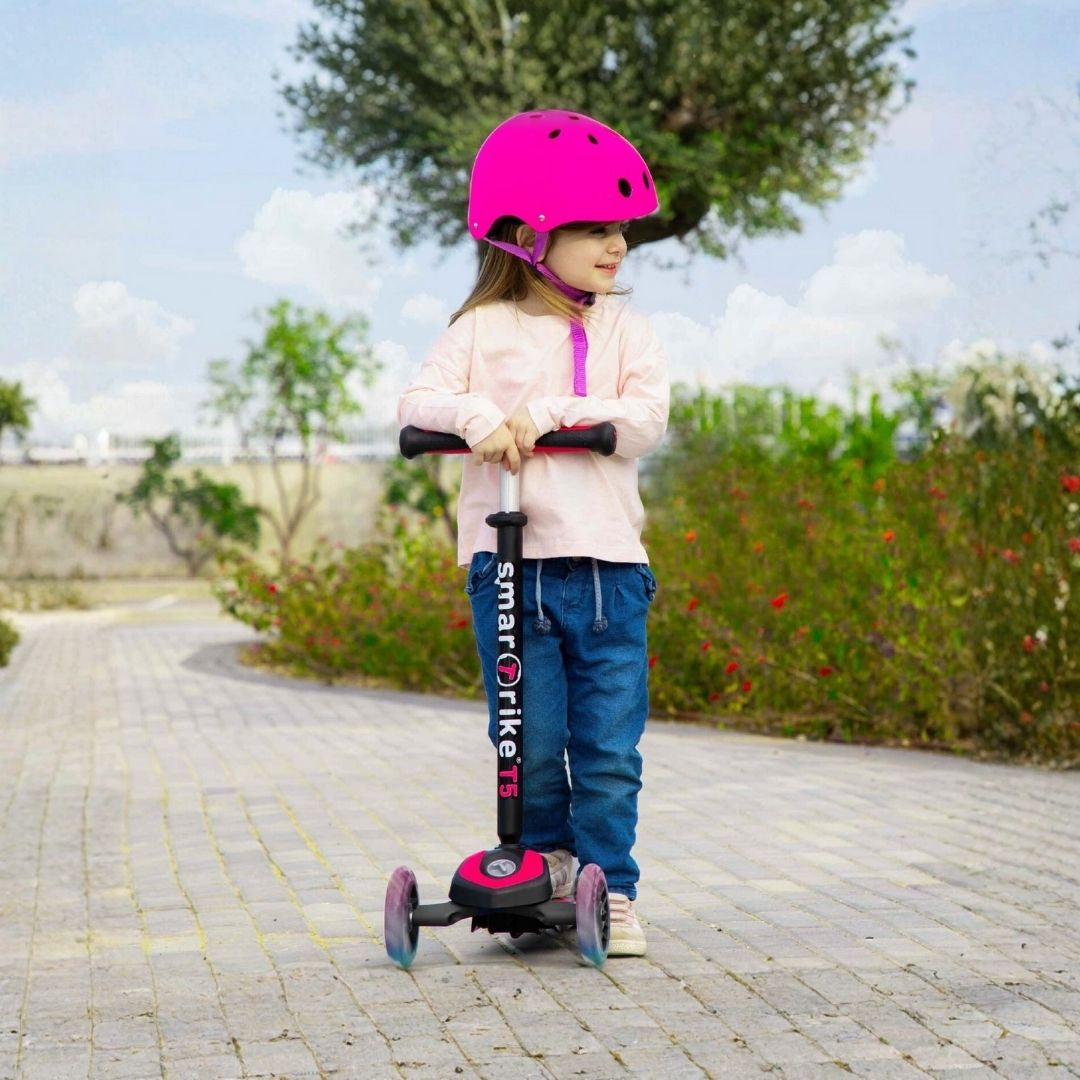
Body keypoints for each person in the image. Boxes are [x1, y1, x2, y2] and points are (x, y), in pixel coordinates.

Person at [398, 109, 668, 956]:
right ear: (526, 234)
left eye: (620, 226)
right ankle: (549, 877)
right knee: (527, 738)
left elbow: (645, 420)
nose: (616, 244)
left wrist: (547, 412)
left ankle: (610, 890)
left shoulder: (626, 328)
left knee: (607, 749)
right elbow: (415, 407)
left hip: (607, 571)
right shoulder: (480, 330)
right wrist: (477, 416)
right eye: (593, 227)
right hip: (507, 569)